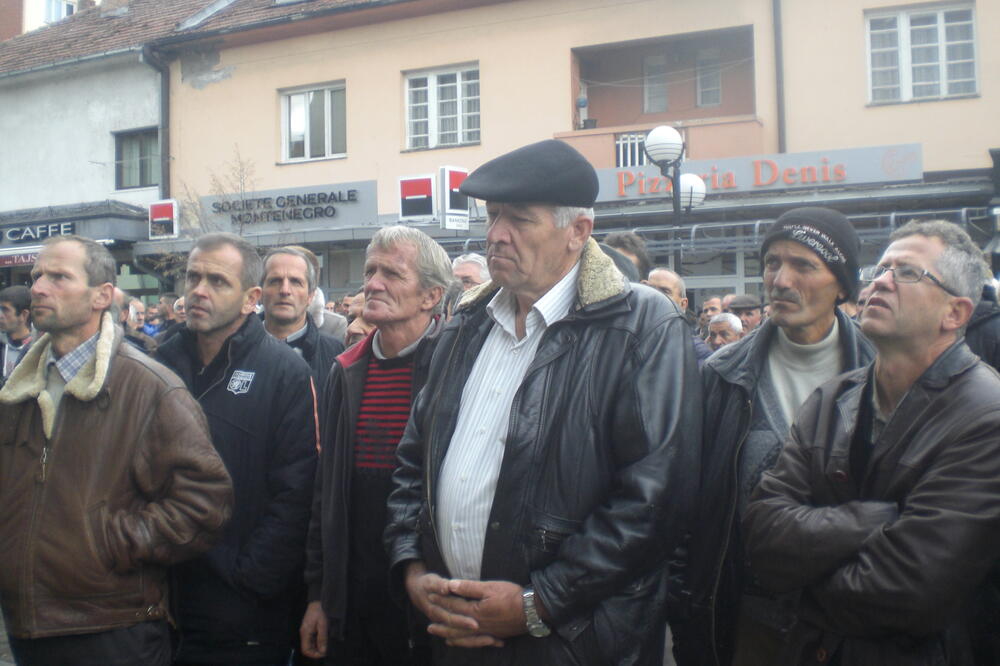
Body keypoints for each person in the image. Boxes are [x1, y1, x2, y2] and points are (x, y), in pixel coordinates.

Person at [385, 139, 700, 665]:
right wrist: (412, 568)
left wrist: (541, 603)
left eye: (519, 220)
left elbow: (654, 499)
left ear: (578, 231)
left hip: (574, 643)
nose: (495, 235)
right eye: (493, 217)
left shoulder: (641, 325)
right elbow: (413, 461)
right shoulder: (466, 325)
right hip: (454, 630)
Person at [743, 220, 1000, 665]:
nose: (879, 282)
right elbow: (764, 535)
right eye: (880, 269)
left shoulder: (985, 416)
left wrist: (797, 587)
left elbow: (908, 592)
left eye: (906, 273)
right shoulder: (833, 398)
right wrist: (868, 521)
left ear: (954, 314)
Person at [0, 235, 232, 666]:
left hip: (112, 629)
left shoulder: (150, 387)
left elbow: (206, 503)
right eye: (36, 276)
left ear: (101, 295)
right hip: (27, 626)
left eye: (58, 277)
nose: (37, 288)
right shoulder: (17, 390)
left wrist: (111, 541)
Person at [673, 207, 875, 666]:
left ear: (843, 285)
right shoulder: (719, 377)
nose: (781, 280)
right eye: (772, 263)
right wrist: (684, 602)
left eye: (804, 265)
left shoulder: (885, 370)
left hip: (856, 617)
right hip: (749, 618)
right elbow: (688, 502)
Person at [157, 232, 318, 665]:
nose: (198, 291)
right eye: (192, 278)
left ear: (250, 299)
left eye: (216, 281)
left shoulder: (284, 371)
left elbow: (297, 492)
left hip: (242, 614)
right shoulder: (159, 365)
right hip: (161, 602)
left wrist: (248, 577)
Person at [301, 226, 452, 665]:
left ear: (430, 296)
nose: (372, 283)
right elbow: (324, 493)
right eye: (370, 271)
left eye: (392, 273)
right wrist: (318, 596)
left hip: (432, 599)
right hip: (357, 598)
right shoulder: (344, 371)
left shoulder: (456, 366)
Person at [261, 246, 345, 388]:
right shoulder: (232, 350)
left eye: (295, 282)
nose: (285, 290)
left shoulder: (335, 354)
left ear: (310, 295)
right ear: (260, 292)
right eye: (275, 281)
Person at [644, 267, 711, 365]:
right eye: (650, 289)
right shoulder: (626, 341)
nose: (655, 295)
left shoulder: (694, 351)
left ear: (683, 304)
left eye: (665, 291)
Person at [0, 284, 33, 385]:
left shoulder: (39, 350)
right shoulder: (1, 344)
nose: (0, 315)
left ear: (23, 315)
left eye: (5, 310)